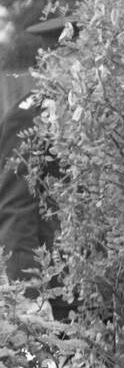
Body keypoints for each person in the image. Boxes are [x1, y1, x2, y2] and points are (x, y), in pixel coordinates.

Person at [0, 16, 75, 320]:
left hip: (98, 285)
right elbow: (15, 210)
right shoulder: (31, 116)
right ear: (53, 61)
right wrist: (31, 294)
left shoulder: (98, 110)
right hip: (56, 289)